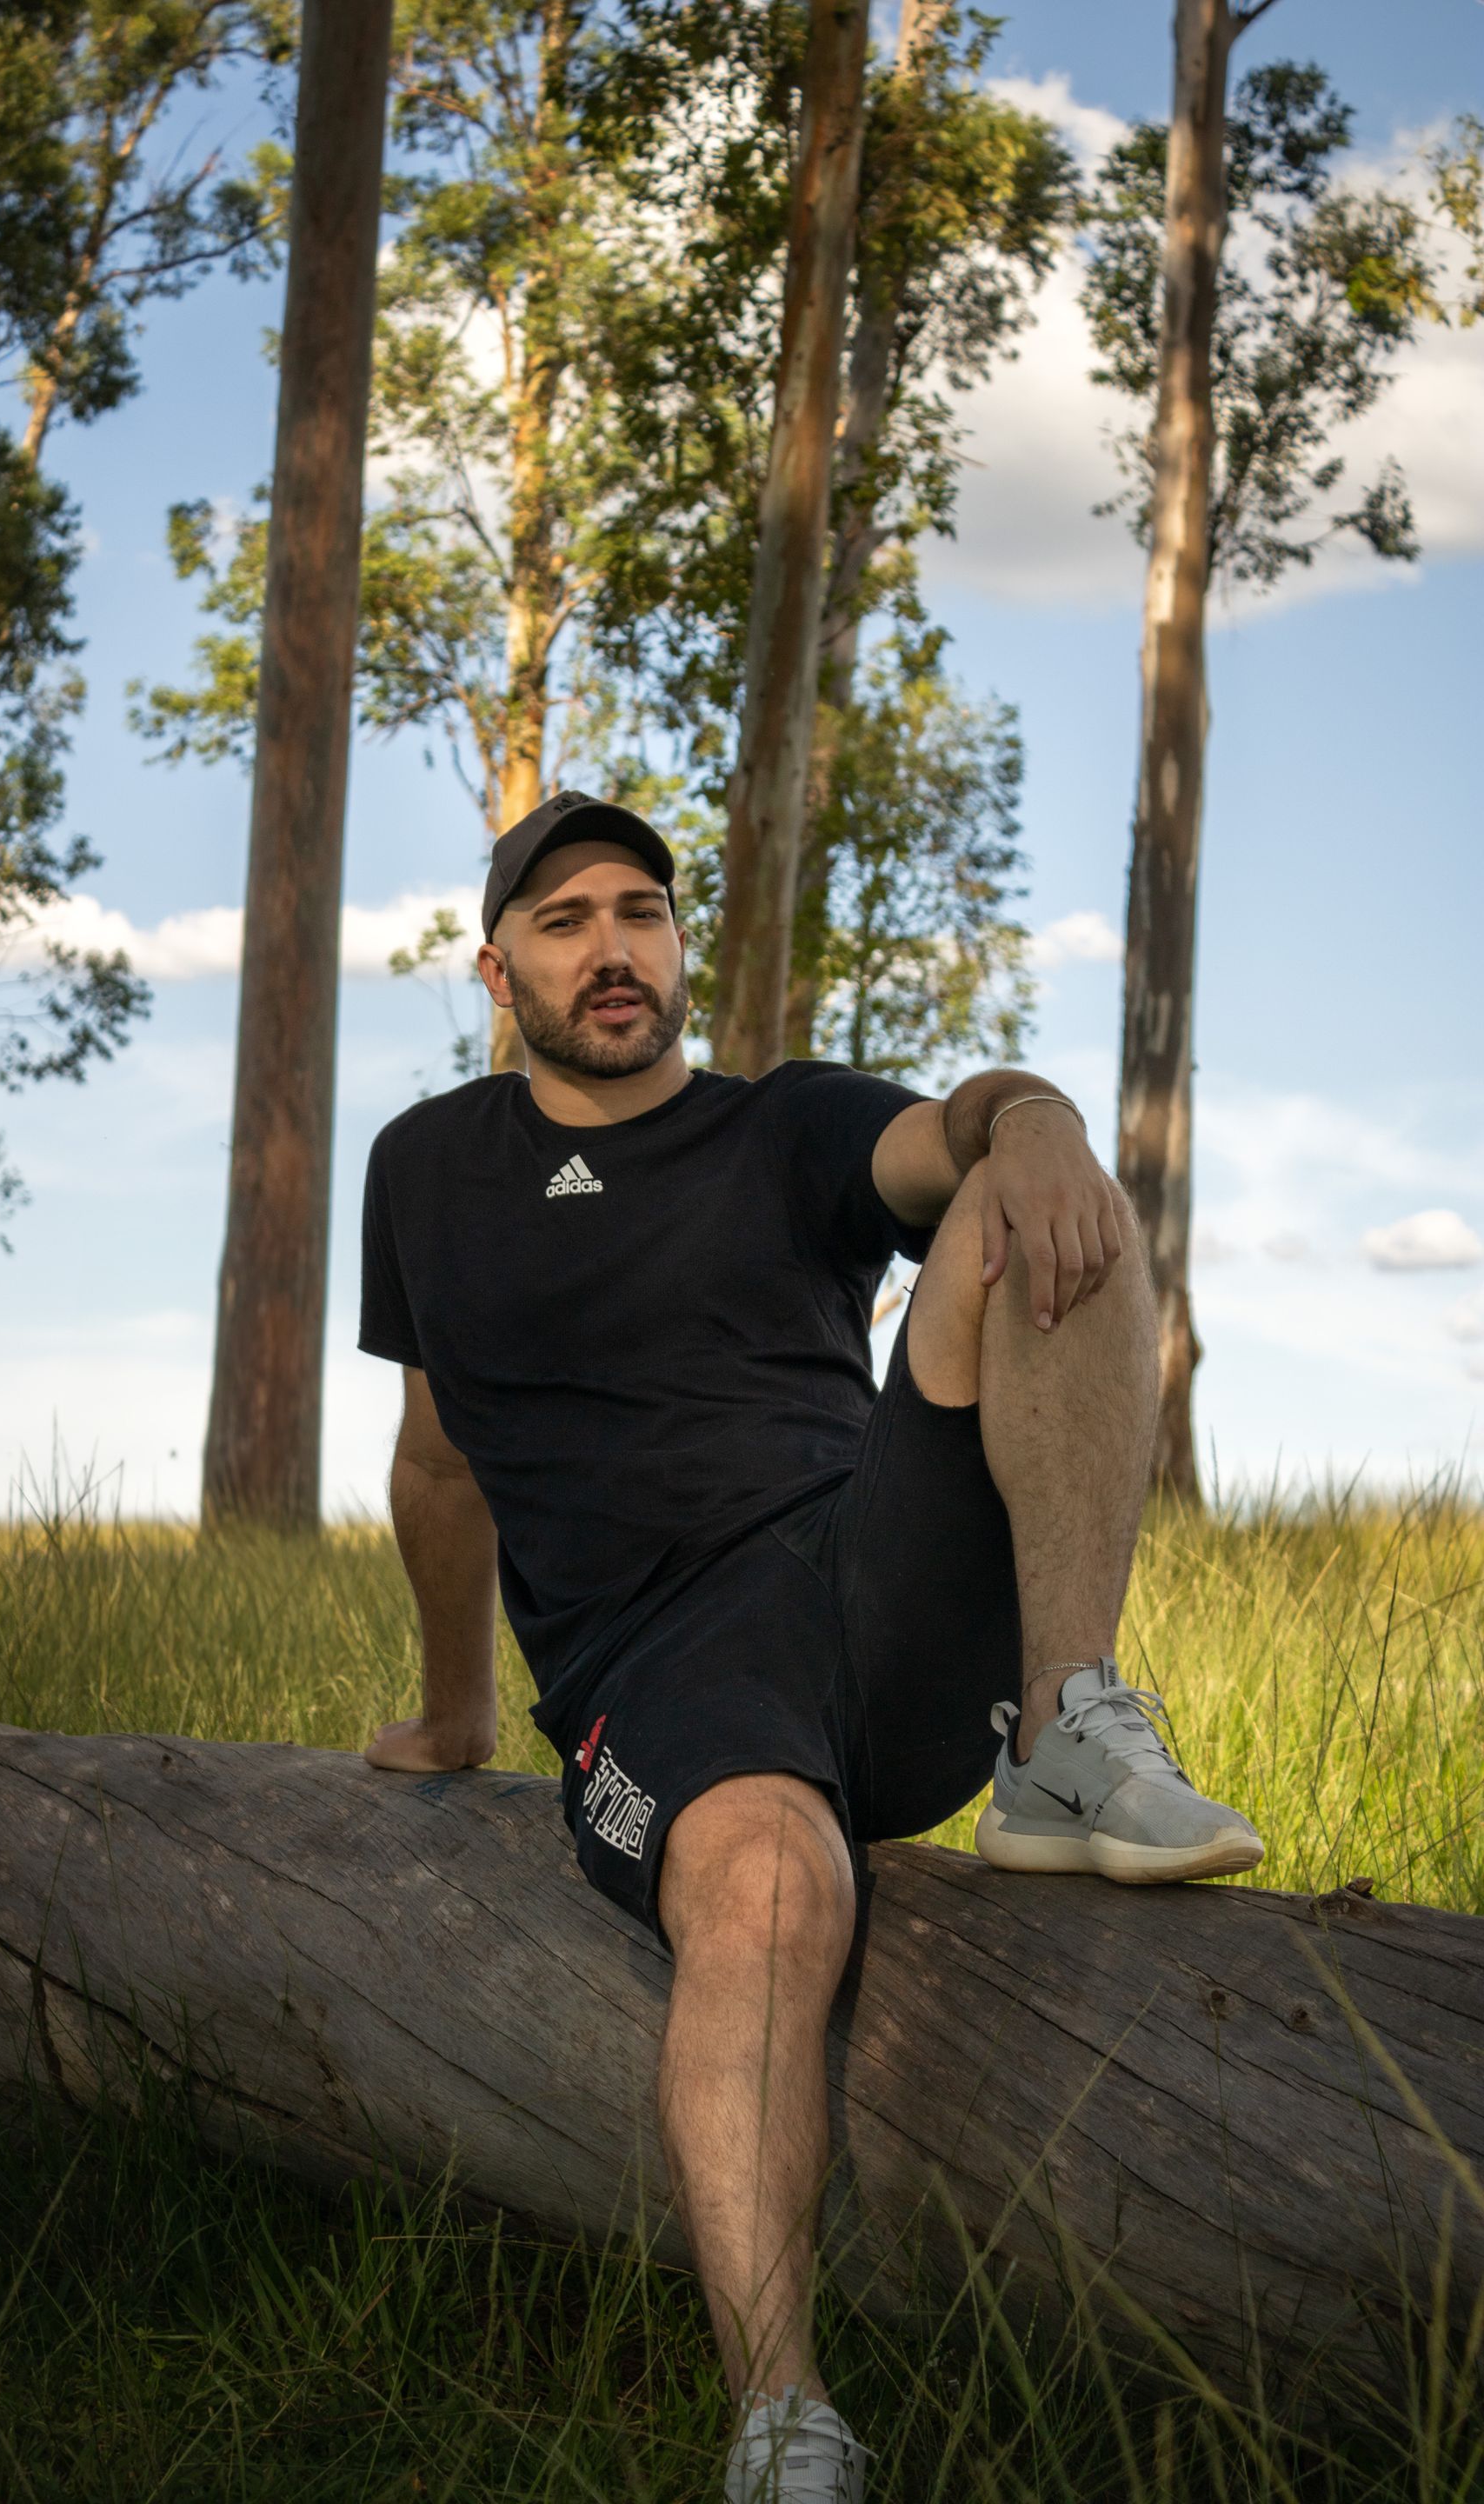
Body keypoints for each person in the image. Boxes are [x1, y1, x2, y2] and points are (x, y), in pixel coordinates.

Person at [358, 791, 1262, 2504]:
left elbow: (958, 1132)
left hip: (871, 1591)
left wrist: (1048, 1122)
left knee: (1035, 1200)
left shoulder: (784, 1127)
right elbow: (434, 1453)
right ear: (498, 969)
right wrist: (454, 1704)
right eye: (563, 921)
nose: (611, 947)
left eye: (641, 909)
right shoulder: (427, 1168)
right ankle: (784, 2419)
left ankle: (1068, 1731)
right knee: (774, 1891)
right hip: (661, 1677)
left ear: (678, 946)